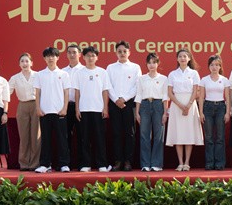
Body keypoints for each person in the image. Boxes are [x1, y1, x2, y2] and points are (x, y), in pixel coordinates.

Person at [72, 46, 111, 172]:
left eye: (93, 55)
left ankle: (102, 164)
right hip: (84, 109)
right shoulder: (79, 73)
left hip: (98, 109)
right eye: (88, 56)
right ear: (83, 57)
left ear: (97, 57)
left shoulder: (102, 72)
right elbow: (77, 92)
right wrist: (77, 109)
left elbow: (105, 91)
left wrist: (105, 108)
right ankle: (86, 164)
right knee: (84, 138)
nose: (90, 58)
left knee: (100, 138)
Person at [32, 48, 70, 173]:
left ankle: (64, 164)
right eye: (48, 56)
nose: (50, 58)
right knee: (46, 139)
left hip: (59, 112)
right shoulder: (40, 74)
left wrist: (65, 108)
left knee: (62, 139)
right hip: (44, 111)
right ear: (44, 58)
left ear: (57, 57)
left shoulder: (64, 74)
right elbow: (37, 93)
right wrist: (38, 108)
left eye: (53, 56)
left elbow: (66, 92)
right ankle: (45, 164)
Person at [106, 40, 141, 171]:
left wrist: (124, 99)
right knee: (116, 133)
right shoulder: (110, 67)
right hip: (114, 103)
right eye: (119, 51)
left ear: (129, 52)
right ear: (116, 53)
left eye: (124, 51)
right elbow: (108, 86)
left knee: (130, 133)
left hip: (129, 103)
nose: (122, 53)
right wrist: (116, 100)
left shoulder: (135, 67)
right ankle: (118, 161)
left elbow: (137, 86)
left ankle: (128, 161)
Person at [166, 49, 203, 171]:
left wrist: (188, 105)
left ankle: (187, 162)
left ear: (189, 58)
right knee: (178, 134)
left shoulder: (194, 73)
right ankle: (180, 162)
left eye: (185, 56)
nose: (182, 58)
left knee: (188, 133)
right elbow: (170, 93)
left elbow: (196, 91)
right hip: (177, 105)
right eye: (180, 56)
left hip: (190, 105)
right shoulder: (172, 74)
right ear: (177, 59)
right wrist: (180, 106)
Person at [135, 53, 169, 172]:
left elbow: (165, 96)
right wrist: (137, 112)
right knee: (144, 135)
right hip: (144, 105)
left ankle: (156, 164)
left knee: (158, 135)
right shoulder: (141, 78)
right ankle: (145, 164)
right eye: (149, 63)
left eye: (154, 62)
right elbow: (139, 95)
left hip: (158, 105)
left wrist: (165, 112)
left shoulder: (163, 78)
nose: (151, 65)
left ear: (158, 63)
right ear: (146, 64)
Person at [198, 54, 230, 171]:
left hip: (221, 107)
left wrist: (227, 112)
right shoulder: (204, 80)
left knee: (220, 137)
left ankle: (220, 163)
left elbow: (228, 97)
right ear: (209, 66)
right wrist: (201, 112)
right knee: (209, 137)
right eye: (212, 65)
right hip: (207, 107)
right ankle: (209, 163)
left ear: (220, 66)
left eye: (217, 65)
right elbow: (201, 97)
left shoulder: (224, 80)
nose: (214, 67)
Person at [9, 53, 40, 172]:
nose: (25, 63)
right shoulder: (15, 78)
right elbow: (7, 92)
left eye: (27, 61)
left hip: (36, 105)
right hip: (22, 105)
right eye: (22, 61)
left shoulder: (38, 76)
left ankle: (35, 163)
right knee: (23, 135)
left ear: (31, 63)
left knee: (36, 136)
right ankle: (24, 163)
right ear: (19, 64)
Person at [62, 44, 84, 170]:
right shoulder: (62, 71)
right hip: (66, 106)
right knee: (65, 136)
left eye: (74, 52)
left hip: (81, 106)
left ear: (79, 54)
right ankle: (66, 163)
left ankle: (82, 164)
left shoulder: (84, 70)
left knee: (82, 136)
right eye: (69, 52)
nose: (72, 54)